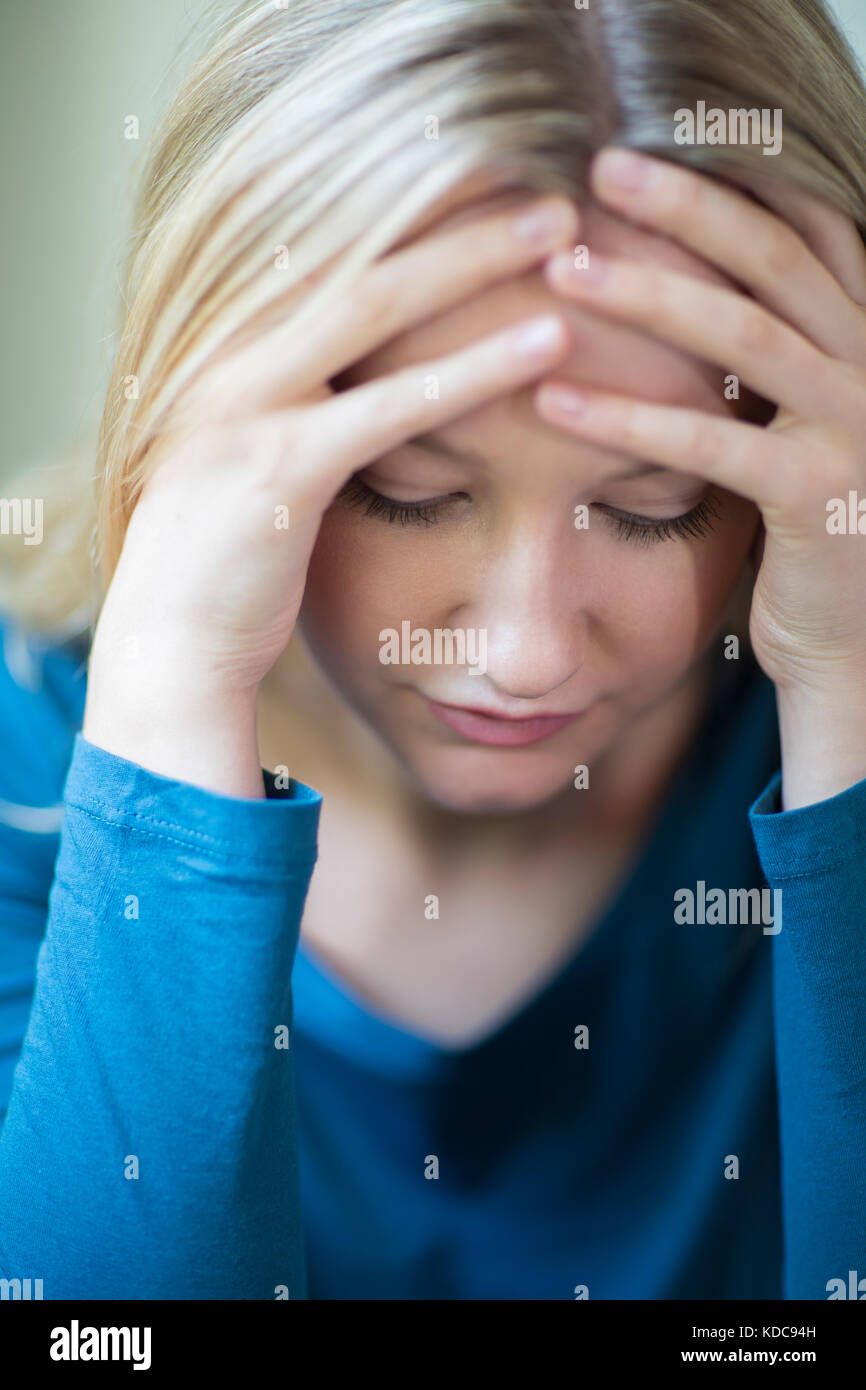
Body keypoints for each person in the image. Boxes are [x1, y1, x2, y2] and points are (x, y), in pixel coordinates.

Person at [1, 0, 865, 1300]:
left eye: (654, 504)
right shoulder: (29, 762)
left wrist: (850, 687)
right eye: (404, 485)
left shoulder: (812, 703)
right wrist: (171, 683)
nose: (523, 652)